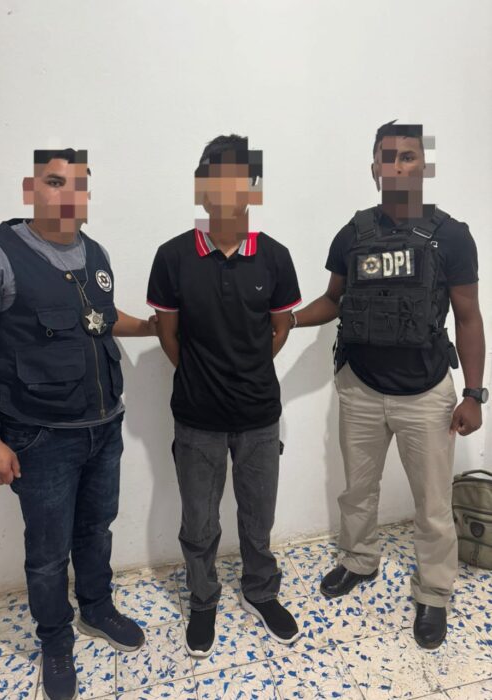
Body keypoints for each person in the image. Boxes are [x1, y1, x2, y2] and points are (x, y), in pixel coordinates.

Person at [0, 149, 157, 700]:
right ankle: (55, 640)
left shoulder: (94, 252)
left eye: (78, 185)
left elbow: (101, 318)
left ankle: (96, 608)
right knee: (48, 554)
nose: (68, 194)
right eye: (54, 181)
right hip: (41, 436)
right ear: (31, 189)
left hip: (105, 426)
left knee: (97, 530)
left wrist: (154, 326)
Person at [292, 121, 486, 650]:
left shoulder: (451, 235)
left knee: (432, 504)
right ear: (374, 167)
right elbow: (332, 300)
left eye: (408, 156)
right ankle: (359, 560)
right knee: (357, 490)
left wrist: (474, 394)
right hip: (360, 387)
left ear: (423, 165)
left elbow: (468, 316)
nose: (397, 166)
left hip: (426, 392)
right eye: (388, 157)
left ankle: (435, 592)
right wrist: (288, 319)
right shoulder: (353, 234)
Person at [147, 135, 301, 657]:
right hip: (197, 418)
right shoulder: (172, 256)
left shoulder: (275, 256)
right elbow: (168, 334)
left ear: (253, 188)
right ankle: (203, 598)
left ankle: (261, 591)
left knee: (259, 517)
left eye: (241, 179)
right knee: (199, 522)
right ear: (202, 188)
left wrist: (248, 369)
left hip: (260, 416)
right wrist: (202, 374)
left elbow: (280, 327)